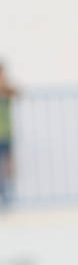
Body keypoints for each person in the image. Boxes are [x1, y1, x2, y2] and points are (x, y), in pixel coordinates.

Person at [0, 61, 19, 207]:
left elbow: (17, 92)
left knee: (8, 165)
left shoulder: (6, 90)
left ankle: (8, 195)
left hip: (6, 134)